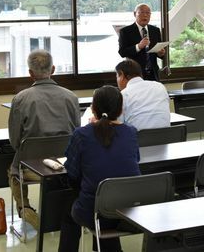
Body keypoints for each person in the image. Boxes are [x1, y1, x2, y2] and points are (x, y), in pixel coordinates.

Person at [58, 85, 141, 252]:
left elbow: (72, 174)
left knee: (69, 209)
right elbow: (134, 161)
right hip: (129, 210)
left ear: (93, 109)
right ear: (121, 109)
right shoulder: (131, 132)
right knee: (105, 203)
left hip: (95, 212)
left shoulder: (81, 134)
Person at [7, 50, 79, 230]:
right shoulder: (71, 97)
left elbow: (15, 141)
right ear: (53, 69)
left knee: (14, 170)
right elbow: (77, 134)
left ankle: (25, 207)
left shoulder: (21, 99)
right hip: (65, 165)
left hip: (31, 168)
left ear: (30, 73)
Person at [116, 58, 171, 130]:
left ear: (122, 75)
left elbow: (119, 123)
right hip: (168, 137)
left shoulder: (124, 94)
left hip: (139, 139)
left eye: (117, 76)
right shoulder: (160, 86)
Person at [118, 3, 165, 81]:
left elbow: (159, 52)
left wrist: (160, 53)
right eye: (142, 12)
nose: (145, 15)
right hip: (134, 74)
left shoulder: (155, 30)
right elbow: (122, 52)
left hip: (153, 74)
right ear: (134, 14)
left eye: (148, 13)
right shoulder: (125, 31)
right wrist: (138, 46)